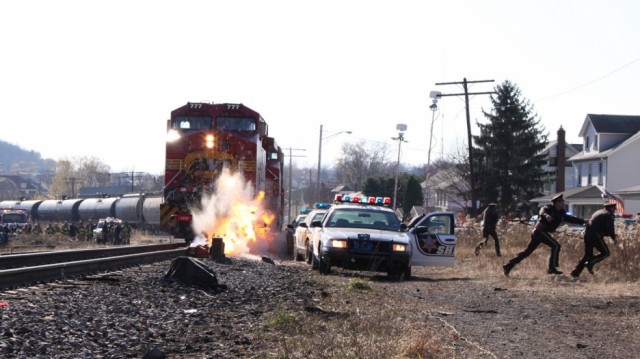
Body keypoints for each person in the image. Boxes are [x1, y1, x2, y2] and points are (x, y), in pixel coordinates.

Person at [503, 194, 586, 276]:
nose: (564, 203)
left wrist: (584, 222)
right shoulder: (548, 208)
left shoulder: (561, 213)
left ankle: (508, 266)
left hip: (541, 233)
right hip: (539, 232)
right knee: (556, 246)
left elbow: (571, 219)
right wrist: (547, 216)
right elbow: (542, 212)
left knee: (527, 252)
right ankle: (551, 268)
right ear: (557, 203)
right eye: (562, 202)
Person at [571, 203, 617, 278]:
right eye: (614, 208)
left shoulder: (598, 212)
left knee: (588, 255)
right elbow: (610, 228)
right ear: (611, 208)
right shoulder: (608, 214)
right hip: (596, 236)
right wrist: (613, 237)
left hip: (587, 234)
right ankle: (590, 263)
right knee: (606, 253)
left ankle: (576, 272)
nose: (615, 210)